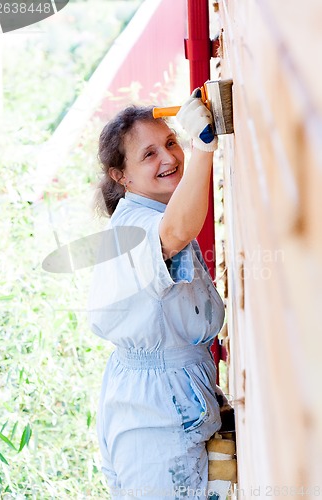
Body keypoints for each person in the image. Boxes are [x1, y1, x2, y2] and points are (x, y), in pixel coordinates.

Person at [88, 89, 225, 500]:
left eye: (170, 142)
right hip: (152, 419)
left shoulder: (153, 213)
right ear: (121, 176)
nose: (169, 158)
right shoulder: (134, 229)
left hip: (169, 401)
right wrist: (203, 150)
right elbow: (176, 232)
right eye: (149, 155)